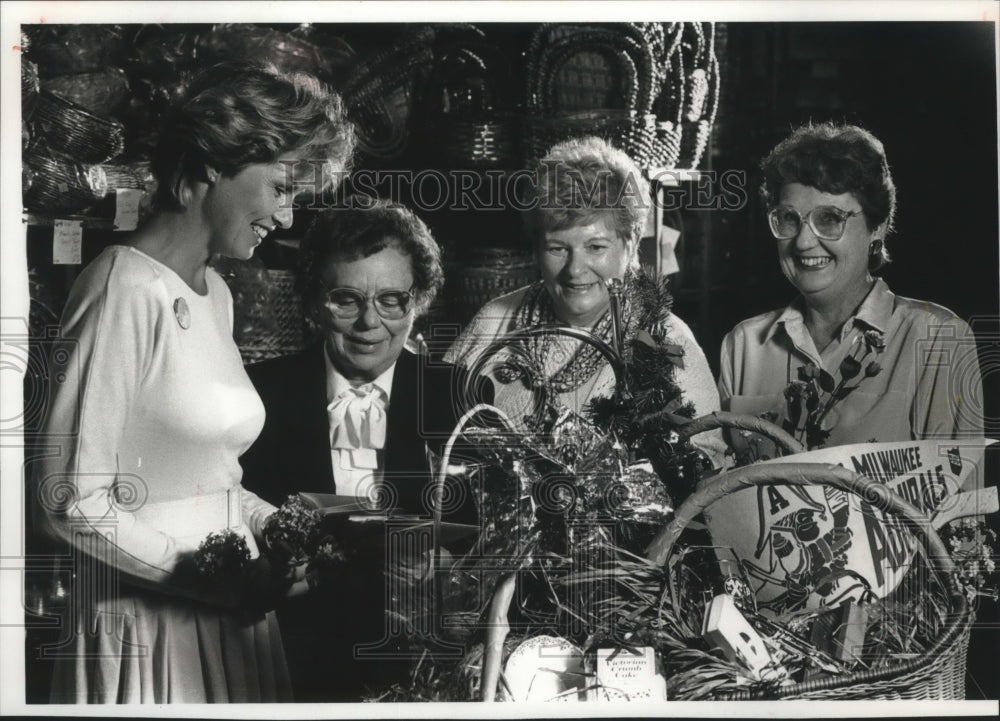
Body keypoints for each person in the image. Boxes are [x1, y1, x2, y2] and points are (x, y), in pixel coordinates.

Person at [31, 62, 355, 703]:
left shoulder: (215, 295)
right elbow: (70, 501)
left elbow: (209, 480)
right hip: (148, 631)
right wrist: (225, 582)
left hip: (231, 624)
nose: (287, 219)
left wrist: (284, 527)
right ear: (214, 162)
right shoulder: (122, 285)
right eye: (283, 188)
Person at [239, 199, 492, 701]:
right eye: (346, 298)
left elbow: (487, 539)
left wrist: (451, 571)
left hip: (424, 661)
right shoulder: (257, 396)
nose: (369, 323)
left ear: (418, 302)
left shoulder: (460, 396)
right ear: (314, 301)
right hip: (285, 655)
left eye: (392, 299)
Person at [444, 136, 726, 467]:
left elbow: (706, 470)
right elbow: (437, 434)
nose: (575, 269)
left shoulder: (668, 343)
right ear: (537, 247)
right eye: (557, 248)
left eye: (596, 247)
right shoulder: (495, 319)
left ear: (631, 242)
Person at [719, 122, 983, 448]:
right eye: (789, 218)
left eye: (829, 218)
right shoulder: (744, 346)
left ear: (878, 227)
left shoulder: (938, 339)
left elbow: (961, 494)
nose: (802, 242)